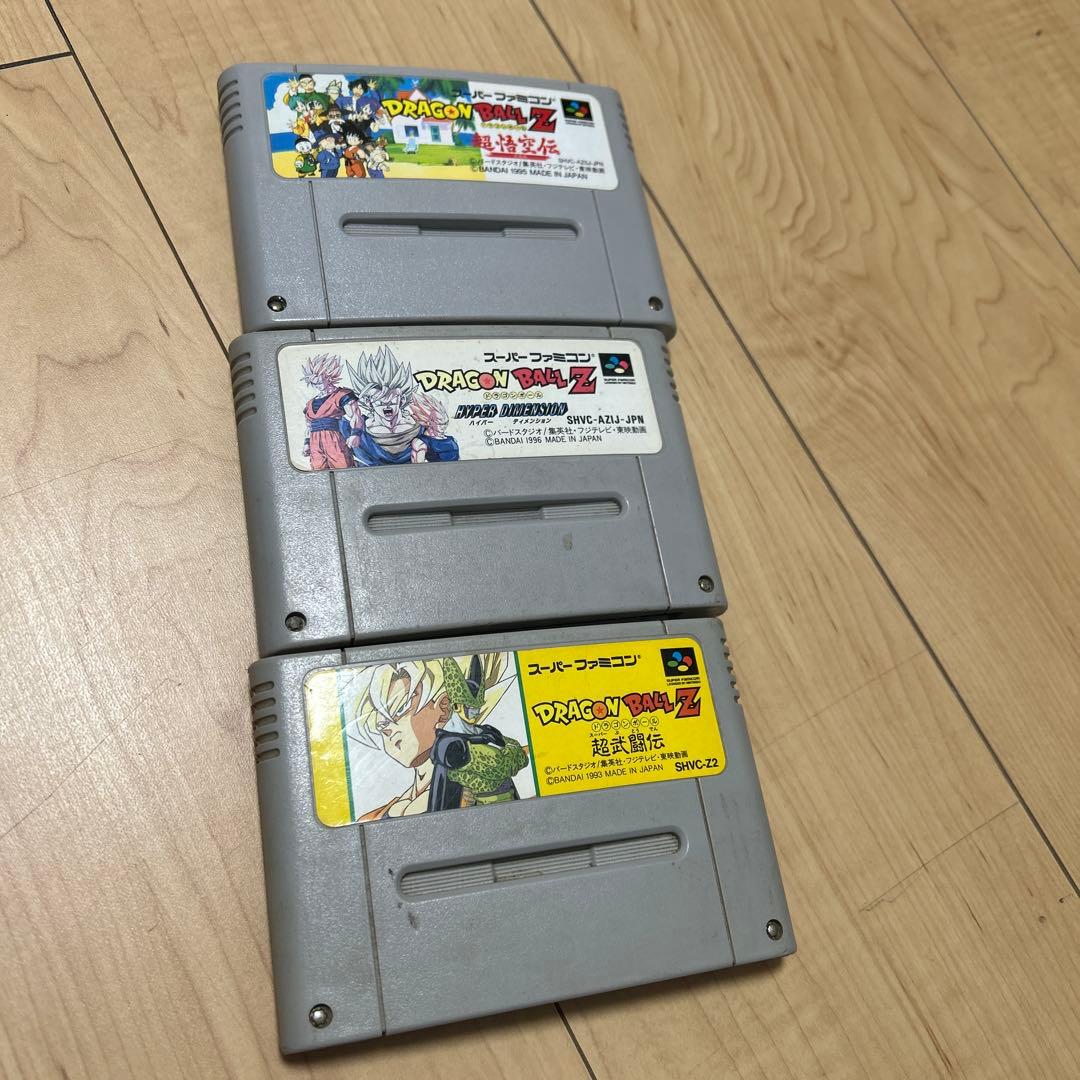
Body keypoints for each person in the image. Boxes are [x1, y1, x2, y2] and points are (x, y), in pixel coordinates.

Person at [349, 654, 527, 819]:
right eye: (381, 724)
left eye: (400, 709)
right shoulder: (377, 815)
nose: (387, 730)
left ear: (444, 707)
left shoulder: (473, 761)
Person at [299, 353, 360, 469]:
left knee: (343, 468)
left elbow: (355, 416)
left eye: (319, 381)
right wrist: (307, 443)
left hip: (335, 440)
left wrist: (355, 434)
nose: (316, 385)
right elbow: (309, 426)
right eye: (313, 383)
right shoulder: (310, 403)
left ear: (328, 377)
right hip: (315, 444)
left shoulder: (342, 395)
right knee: (318, 472)